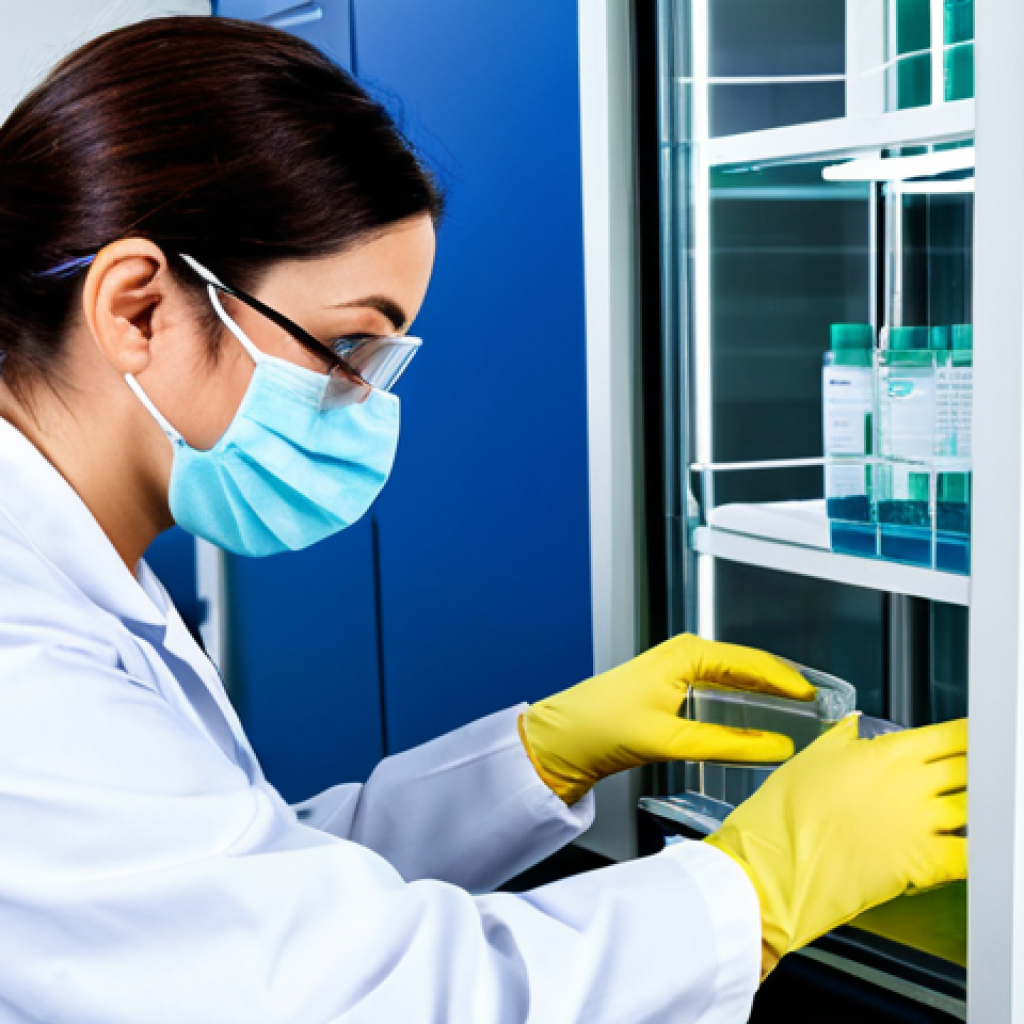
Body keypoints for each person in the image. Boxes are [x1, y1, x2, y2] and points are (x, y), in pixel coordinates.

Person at [0, 17, 966, 1024]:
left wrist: (534, 757)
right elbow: (350, 998)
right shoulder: (20, 646)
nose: (362, 405)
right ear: (139, 309)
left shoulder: (76, 577)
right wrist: (760, 884)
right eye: (345, 347)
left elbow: (238, 896)